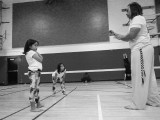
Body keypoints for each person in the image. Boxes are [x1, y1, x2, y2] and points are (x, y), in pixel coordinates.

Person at [110, 2, 160, 110]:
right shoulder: (137, 19)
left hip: (141, 49)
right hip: (145, 49)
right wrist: (117, 35)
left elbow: (131, 36)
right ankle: (153, 101)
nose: (126, 13)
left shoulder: (137, 18)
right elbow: (129, 36)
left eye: (127, 10)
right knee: (148, 76)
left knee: (140, 76)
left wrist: (120, 37)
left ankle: (138, 104)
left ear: (134, 10)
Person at [23, 39, 44, 112]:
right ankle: (32, 108)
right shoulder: (31, 52)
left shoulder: (32, 52)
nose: (36, 47)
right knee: (33, 90)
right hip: (33, 73)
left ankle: (38, 104)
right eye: (35, 45)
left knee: (37, 89)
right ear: (30, 46)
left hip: (37, 72)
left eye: (37, 45)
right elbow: (41, 59)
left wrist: (36, 52)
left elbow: (41, 58)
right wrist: (36, 52)